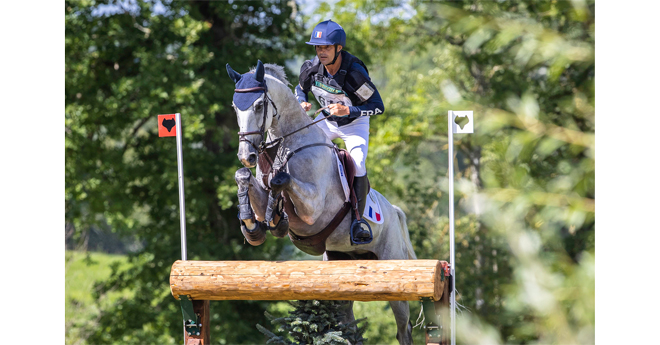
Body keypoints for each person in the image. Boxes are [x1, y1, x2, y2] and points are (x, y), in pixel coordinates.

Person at [295, 19, 384, 243]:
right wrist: (301, 101)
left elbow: (378, 107)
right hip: (326, 120)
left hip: (355, 124)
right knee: (298, 148)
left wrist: (349, 110)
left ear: (338, 48)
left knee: (359, 163)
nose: (321, 52)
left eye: (326, 47)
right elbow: (300, 88)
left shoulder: (355, 73)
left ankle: (358, 220)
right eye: (318, 47)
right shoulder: (310, 69)